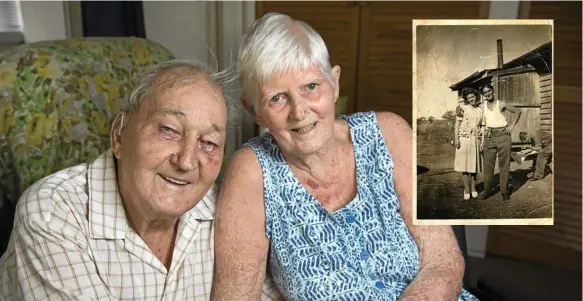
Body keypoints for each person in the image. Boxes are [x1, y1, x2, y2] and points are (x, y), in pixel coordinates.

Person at [211, 12, 479, 301]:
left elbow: (443, 262)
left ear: (334, 83)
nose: (299, 111)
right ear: (253, 110)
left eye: (311, 87)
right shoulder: (251, 171)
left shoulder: (390, 134)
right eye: (277, 98)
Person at [0, 60, 280, 300]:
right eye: (169, 130)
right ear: (119, 135)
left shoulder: (229, 213)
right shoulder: (52, 214)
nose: (185, 161)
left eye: (209, 142)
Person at [479, 83, 522, 201]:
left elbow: (517, 111)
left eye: (489, 91)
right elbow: (471, 109)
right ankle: (487, 191)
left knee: (504, 166)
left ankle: (504, 191)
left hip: (504, 136)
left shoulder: (501, 103)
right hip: (490, 137)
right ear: (483, 95)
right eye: (485, 93)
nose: (487, 94)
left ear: (492, 91)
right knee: (488, 166)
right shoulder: (482, 107)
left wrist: (512, 125)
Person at [454, 87, 483, 200]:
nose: (471, 99)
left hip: (476, 139)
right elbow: (457, 124)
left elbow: (482, 125)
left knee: (474, 164)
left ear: (476, 96)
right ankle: (467, 189)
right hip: (464, 138)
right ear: (466, 99)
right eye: (469, 97)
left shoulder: (480, 110)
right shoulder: (462, 108)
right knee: (465, 164)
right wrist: (456, 139)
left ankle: (474, 188)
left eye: (473, 96)